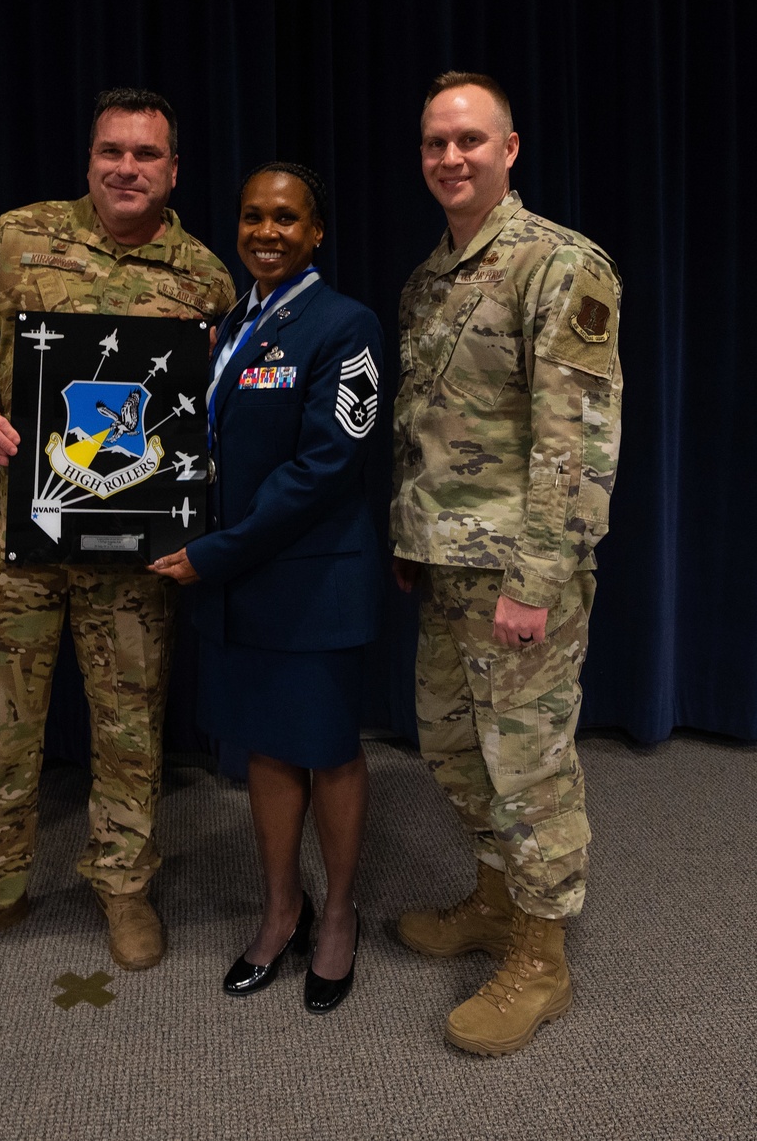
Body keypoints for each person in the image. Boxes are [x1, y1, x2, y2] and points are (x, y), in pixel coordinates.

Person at [0, 87, 236, 974]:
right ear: (90, 159)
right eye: (111, 152)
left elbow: (215, 419)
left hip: (134, 555)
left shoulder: (205, 278)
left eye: (146, 155)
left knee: (131, 728)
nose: (126, 168)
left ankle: (123, 888)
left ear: (174, 170)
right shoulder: (15, 241)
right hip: (17, 536)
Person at [390, 72, 622, 1054]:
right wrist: (411, 539)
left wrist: (536, 578)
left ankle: (540, 956)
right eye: (436, 141)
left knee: (528, 767)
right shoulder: (430, 277)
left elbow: (574, 439)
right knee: (449, 746)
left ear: (510, 148)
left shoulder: (558, 264)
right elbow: (428, 425)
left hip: (520, 575)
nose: (451, 156)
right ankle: (494, 895)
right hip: (445, 563)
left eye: (470, 140)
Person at [150, 162, 383, 1014]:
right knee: (266, 749)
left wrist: (214, 553)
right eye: (252, 216)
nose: (267, 232)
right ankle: (283, 907)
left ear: (316, 231)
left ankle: (341, 917)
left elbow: (323, 468)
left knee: (326, 749)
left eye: (287, 218)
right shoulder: (230, 326)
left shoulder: (344, 325)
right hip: (241, 582)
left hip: (308, 584)